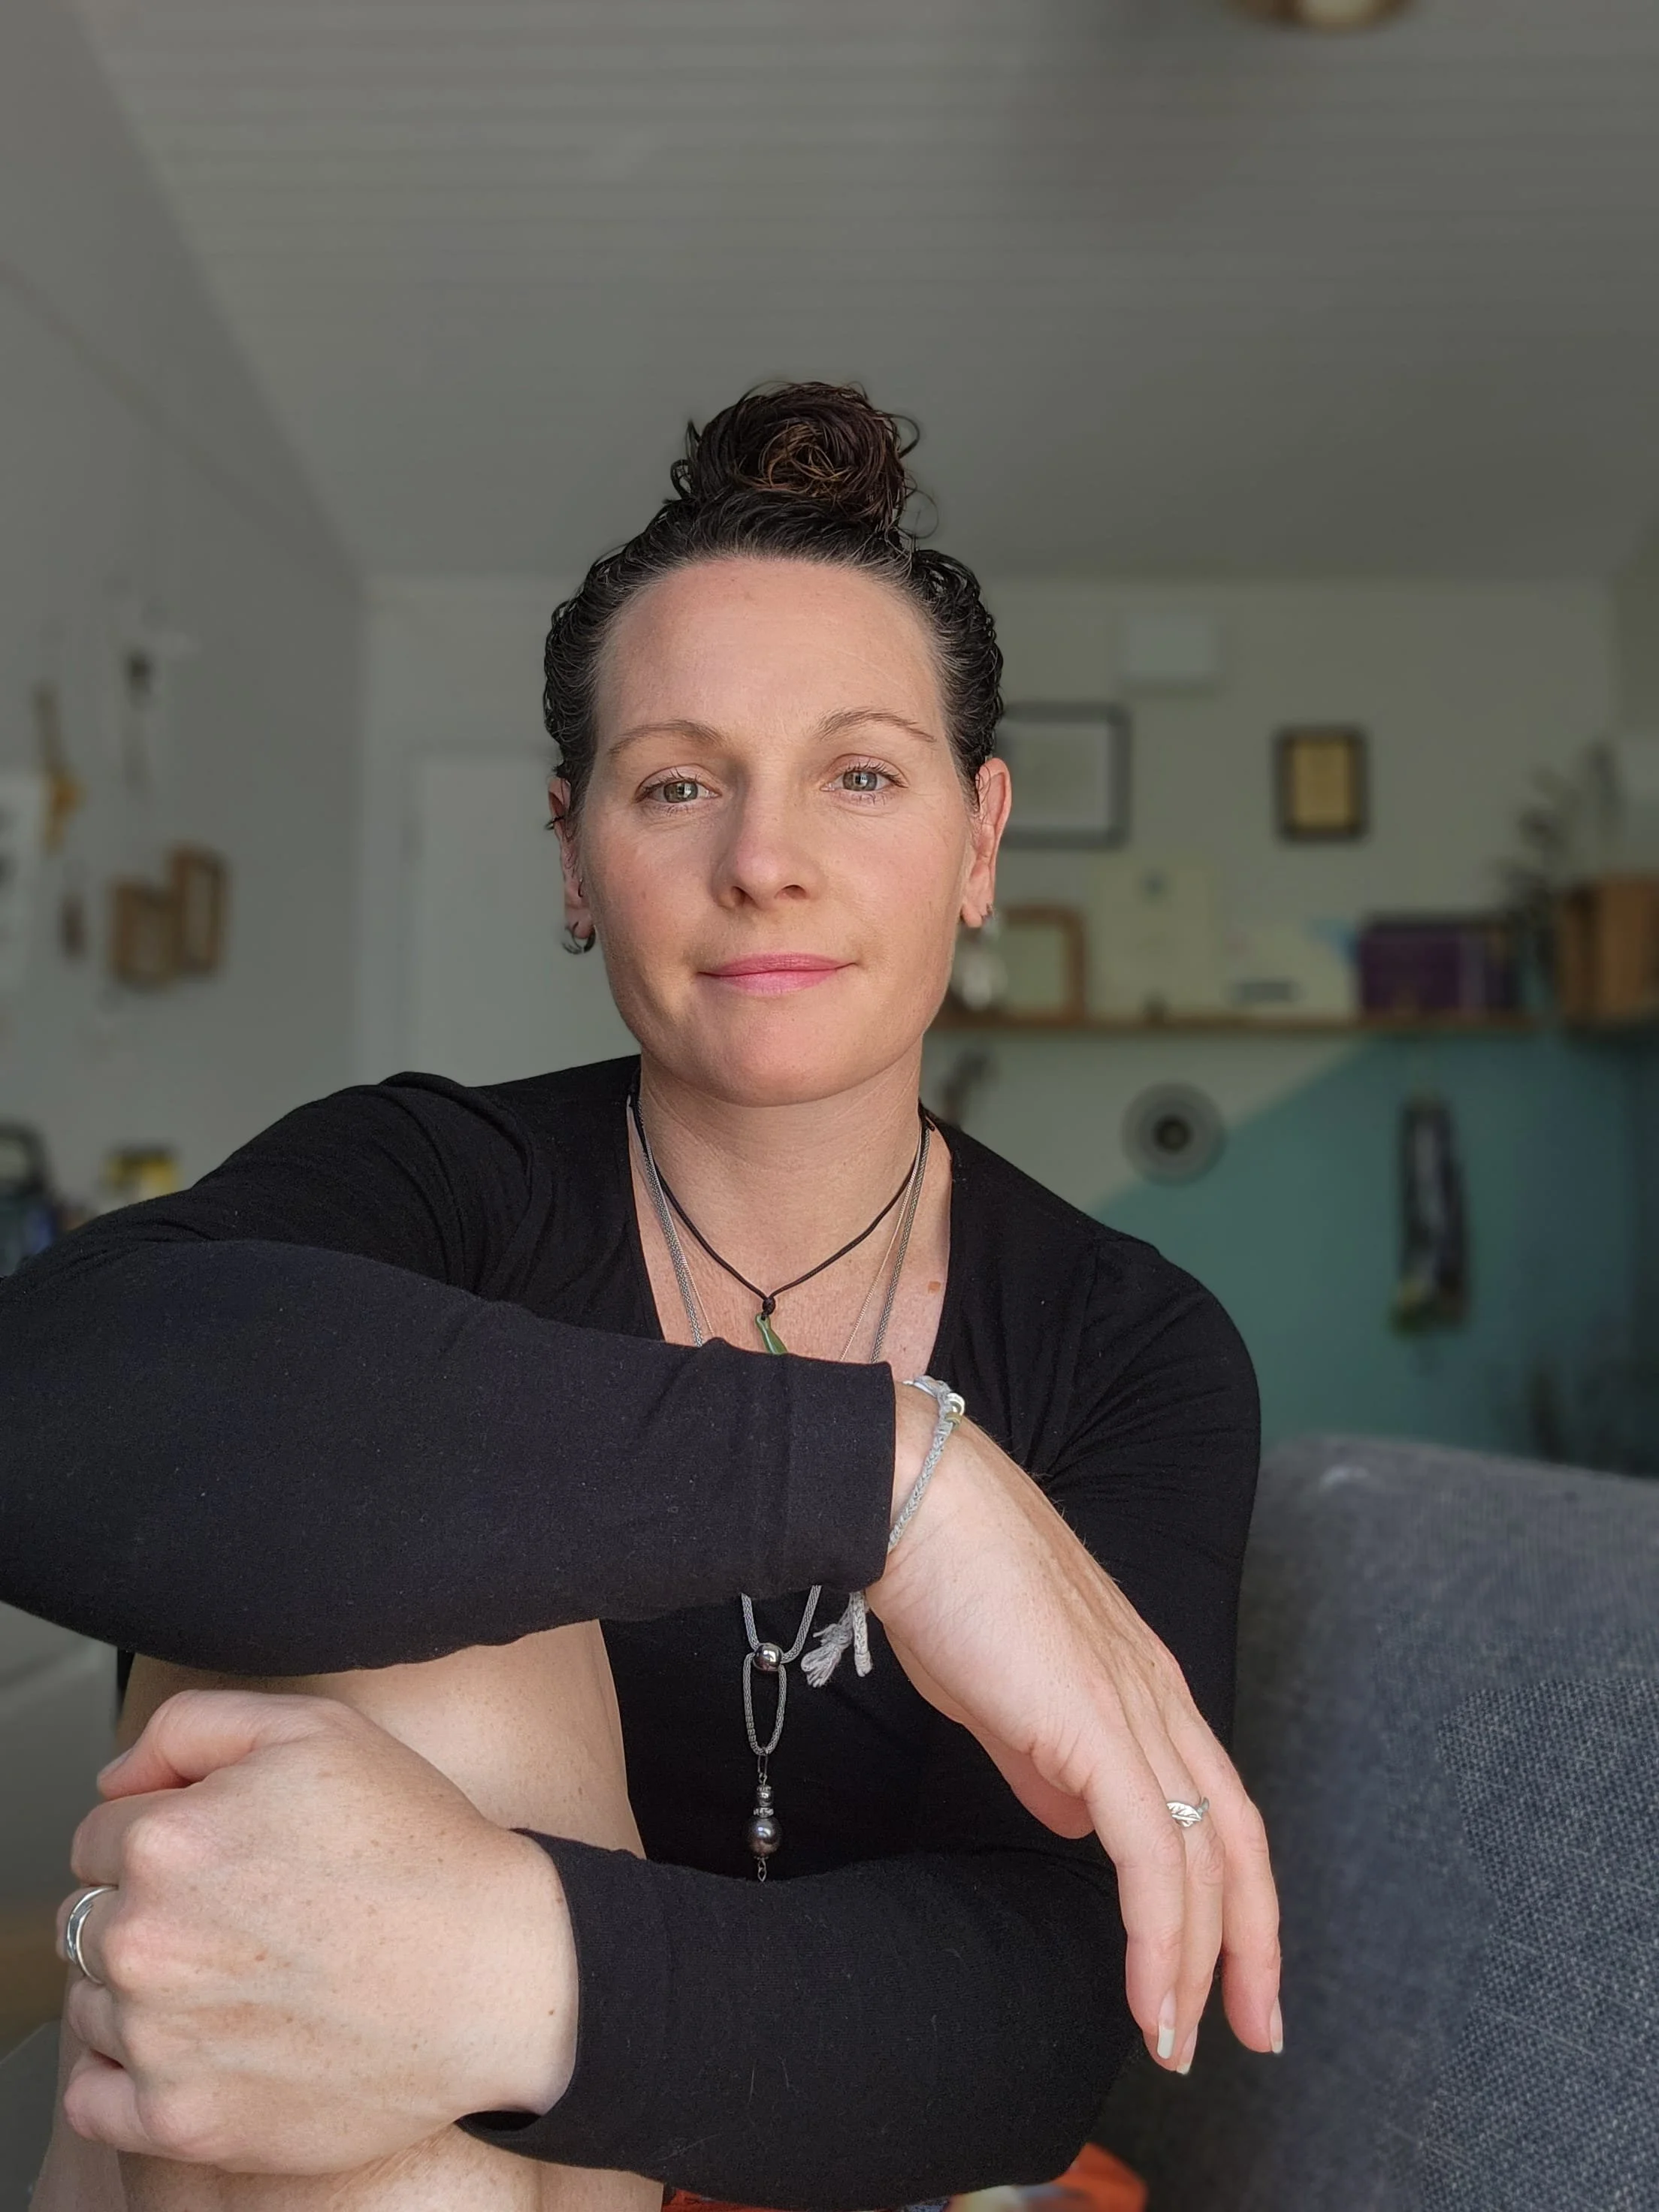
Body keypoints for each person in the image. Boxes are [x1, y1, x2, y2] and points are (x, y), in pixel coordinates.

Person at [2, 382, 1280, 2212]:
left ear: (981, 839)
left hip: (791, 2144)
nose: (763, 855)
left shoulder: (1128, 1347)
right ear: (574, 856)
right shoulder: (440, 1189)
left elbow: (1052, 2012)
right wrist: (885, 1481)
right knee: (400, 1616)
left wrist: (491, 1974)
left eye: (860, 770)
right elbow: (47, 1392)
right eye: (678, 779)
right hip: (351, 2150)